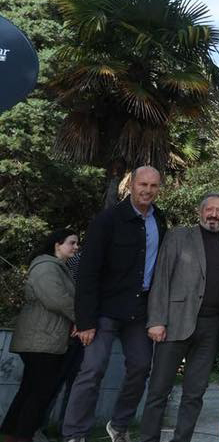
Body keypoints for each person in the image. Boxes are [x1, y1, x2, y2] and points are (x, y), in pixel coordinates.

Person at [63, 166, 167, 442]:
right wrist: (85, 320)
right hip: (105, 310)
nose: (147, 190)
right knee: (92, 370)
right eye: (143, 184)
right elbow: (88, 272)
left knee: (141, 367)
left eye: (153, 186)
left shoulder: (160, 220)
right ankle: (75, 434)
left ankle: (119, 425)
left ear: (159, 188)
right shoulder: (107, 220)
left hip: (139, 310)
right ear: (131, 185)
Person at [141, 193, 219, 442]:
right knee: (158, 390)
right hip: (175, 322)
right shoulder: (178, 237)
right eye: (210, 209)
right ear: (200, 211)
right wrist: (156, 320)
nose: (214, 214)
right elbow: (161, 278)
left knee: (195, 393)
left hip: (212, 328)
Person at [1, 229, 78, 441]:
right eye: (72, 243)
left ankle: (10, 433)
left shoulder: (58, 268)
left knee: (30, 389)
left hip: (46, 338)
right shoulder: (46, 267)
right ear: (57, 244)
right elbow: (56, 299)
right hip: (41, 339)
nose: (76, 247)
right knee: (40, 393)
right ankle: (23, 435)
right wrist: (81, 318)